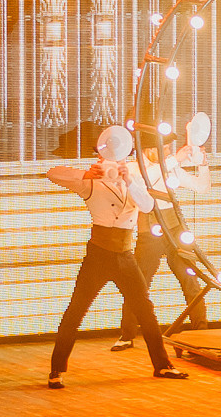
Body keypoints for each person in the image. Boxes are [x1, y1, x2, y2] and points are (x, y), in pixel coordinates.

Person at [42, 126, 187, 389]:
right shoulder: (91, 181)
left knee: (146, 310)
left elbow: (147, 206)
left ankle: (163, 365)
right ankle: (56, 370)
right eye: (107, 161)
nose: (113, 166)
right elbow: (53, 174)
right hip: (98, 255)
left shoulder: (132, 175)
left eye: (118, 161)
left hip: (125, 255)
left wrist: (130, 180)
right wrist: (86, 173)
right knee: (76, 311)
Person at [113, 111, 213, 349]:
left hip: (175, 229)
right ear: (148, 149)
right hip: (150, 232)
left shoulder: (170, 167)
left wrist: (204, 165)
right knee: (139, 283)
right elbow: (150, 183)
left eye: (169, 146)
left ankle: (201, 330)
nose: (168, 150)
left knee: (190, 279)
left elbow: (202, 187)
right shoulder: (135, 169)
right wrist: (176, 160)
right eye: (163, 146)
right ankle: (127, 334)